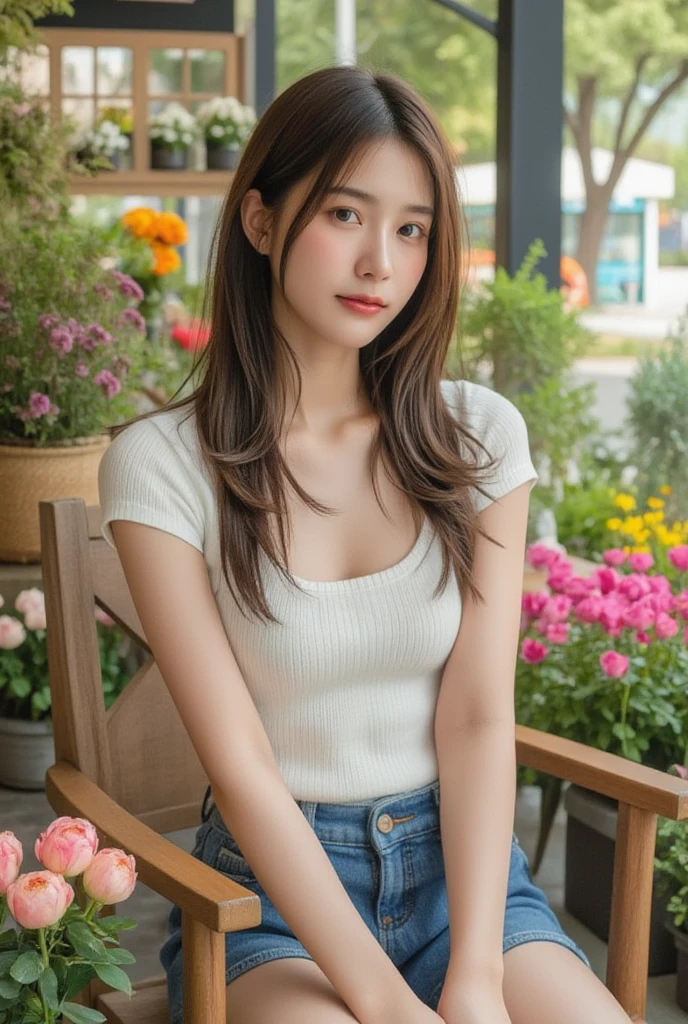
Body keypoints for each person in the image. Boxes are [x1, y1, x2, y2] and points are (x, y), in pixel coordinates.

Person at [98, 65, 632, 1024]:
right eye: (346, 214)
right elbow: (243, 767)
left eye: (412, 228)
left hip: (462, 885)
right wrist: (390, 1007)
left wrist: (474, 977)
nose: (381, 262)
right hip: (271, 901)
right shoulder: (163, 465)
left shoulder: (477, 439)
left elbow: (475, 718)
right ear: (260, 222)